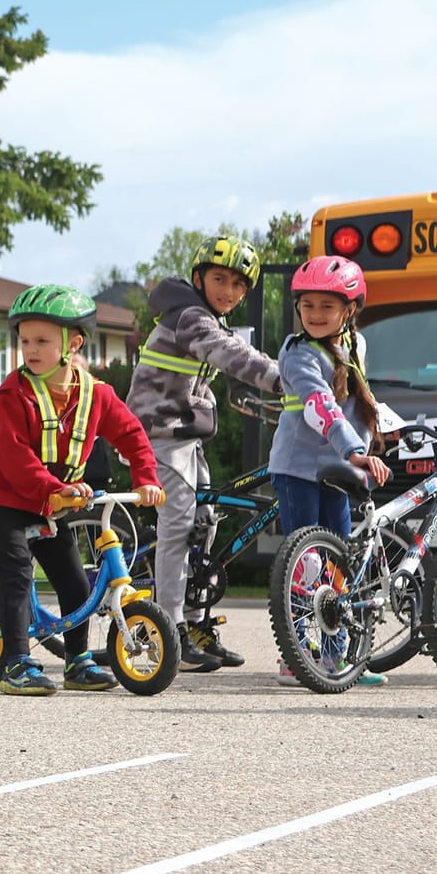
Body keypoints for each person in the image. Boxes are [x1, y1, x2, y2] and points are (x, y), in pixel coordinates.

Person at [0, 285, 165, 695]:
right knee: (17, 577)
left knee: (75, 582)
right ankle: (17, 664)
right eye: (24, 340)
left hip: (53, 507)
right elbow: (13, 456)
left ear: (72, 343)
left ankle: (77, 662)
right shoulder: (12, 394)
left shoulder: (96, 394)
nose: (30, 349)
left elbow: (131, 434)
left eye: (42, 340)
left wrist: (146, 478)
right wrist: (55, 489)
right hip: (5, 503)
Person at [125, 235, 283, 674]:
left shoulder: (207, 318)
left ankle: (196, 624)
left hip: (184, 436)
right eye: (219, 279)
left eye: (238, 284)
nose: (228, 291)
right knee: (177, 524)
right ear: (199, 279)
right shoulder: (190, 316)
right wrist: (284, 378)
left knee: (205, 522)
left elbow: (213, 367)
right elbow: (231, 355)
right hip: (156, 435)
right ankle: (169, 629)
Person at [270, 254, 391, 687]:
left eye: (327, 306)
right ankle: (296, 655)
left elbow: (359, 401)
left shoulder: (356, 347)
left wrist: (391, 432)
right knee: (304, 564)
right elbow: (321, 408)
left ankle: (341, 660)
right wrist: (356, 451)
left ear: (349, 310)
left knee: (340, 563)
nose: (315, 315)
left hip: (338, 469)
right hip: (300, 468)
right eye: (308, 306)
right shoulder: (298, 353)